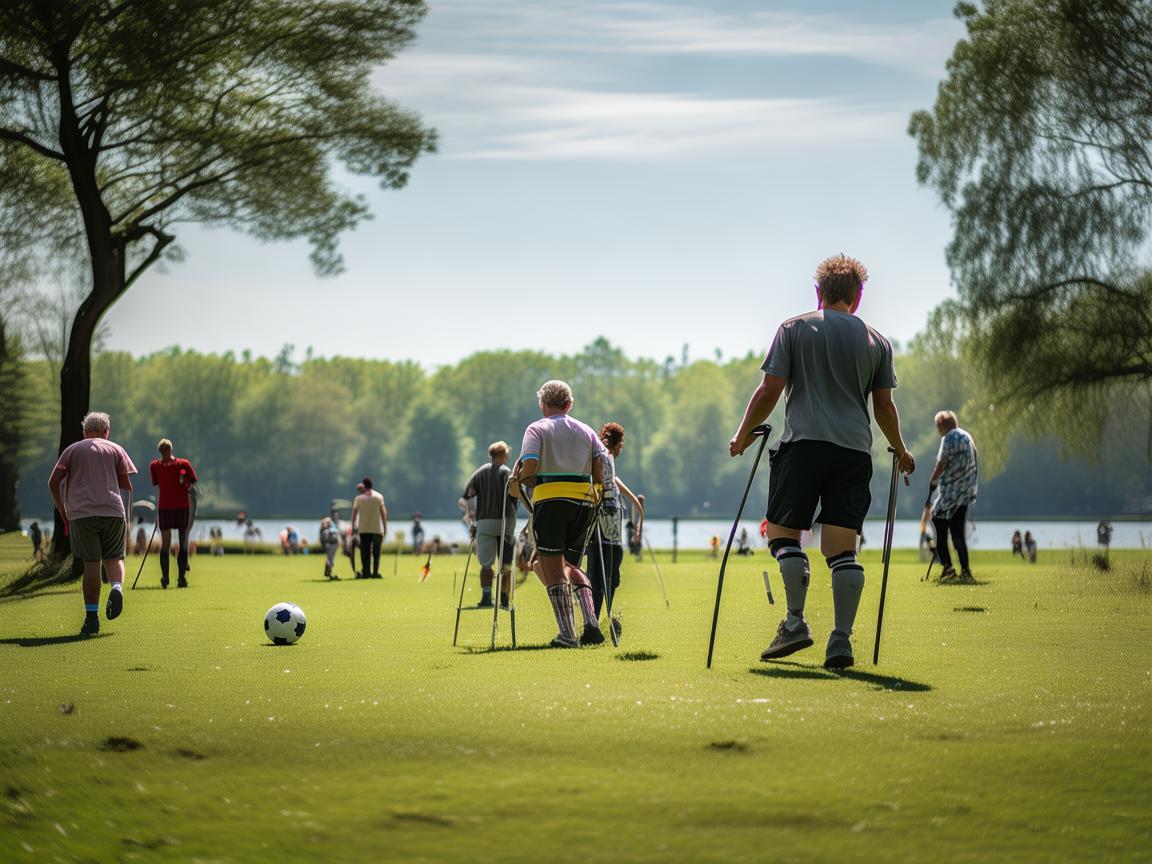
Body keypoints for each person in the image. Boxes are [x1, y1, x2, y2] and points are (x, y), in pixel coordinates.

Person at [729, 254, 915, 669]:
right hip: (854, 453)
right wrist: (901, 450)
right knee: (841, 550)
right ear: (858, 297)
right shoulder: (877, 341)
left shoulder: (794, 328)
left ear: (818, 293)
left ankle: (795, 623)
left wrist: (742, 436)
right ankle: (841, 640)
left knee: (782, 536)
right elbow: (884, 407)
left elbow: (769, 391)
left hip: (804, 446)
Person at [508, 380, 608, 648]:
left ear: (542, 404)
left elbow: (530, 465)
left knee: (552, 567)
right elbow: (601, 464)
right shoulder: (586, 430)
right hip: (585, 502)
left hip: (551, 501)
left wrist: (518, 479)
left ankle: (567, 635)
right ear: (569, 404)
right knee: (573, 566)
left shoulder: (536, 428)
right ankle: (591, 625)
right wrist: (596, 490)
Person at [47, 411, 137, 637]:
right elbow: (126, 485)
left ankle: (91, 619)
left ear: (84, 431)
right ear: (106, 432)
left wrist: (62, 509)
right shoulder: (116, 449)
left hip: (82, 512)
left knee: (91, 563)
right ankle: (117, 588)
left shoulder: (72, 450)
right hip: (113, 510)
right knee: (114, 558)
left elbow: (53, 482)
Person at [586, 422, 644, 620]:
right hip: (608, 518)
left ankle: (595, 617)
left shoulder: (602, 454)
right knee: (607, 570)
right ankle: (599, 617)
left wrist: (635, 504)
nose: (622, 448)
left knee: (598, 570)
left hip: (600, 518)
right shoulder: (607, 456)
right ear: (617, 441)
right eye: (622, 443)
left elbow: (614, 481)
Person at [461, 441, 519, 609]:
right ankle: (504, 599)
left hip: (484, 522)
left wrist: (470, 520)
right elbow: (515, 495)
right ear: (504, 455)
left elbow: (467, 497)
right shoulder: (507, 472)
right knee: (506, 563)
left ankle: (486, 596)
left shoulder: (479, 473)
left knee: (486, 564)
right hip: (505, 521)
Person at [929, 410, 979, 584]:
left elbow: (941, 462)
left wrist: (933, 478)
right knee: (958, 531)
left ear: (942, 425)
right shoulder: (967, 436)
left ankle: (948, 567)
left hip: (951, 491)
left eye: (938, 427)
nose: (938, 431)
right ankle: (965, 570)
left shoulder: (948, 438)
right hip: (967, 492)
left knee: (937, 519)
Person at [149, 438, 198, 589]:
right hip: (164, 507)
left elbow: (194, 481)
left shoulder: (183, 464)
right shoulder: (155, 466)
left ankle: (181, 578)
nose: (164, 454)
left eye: (166, 451)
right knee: (166, 543)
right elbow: (157, 482)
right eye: (162, 452)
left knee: (182, 543)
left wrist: (186, 483)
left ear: (170, 450)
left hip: (182, 507)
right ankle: (165, 578)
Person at [352, 477, 387, 578]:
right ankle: (375, 572)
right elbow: (383, 513)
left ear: (364, 486)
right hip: (377, 529)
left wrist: (353, 525)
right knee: (376, 552)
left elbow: (354, 513)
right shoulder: (379, 497)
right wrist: (385, 527)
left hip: (363, 529)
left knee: (365, 552)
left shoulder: (359, 499)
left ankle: (366, 572)